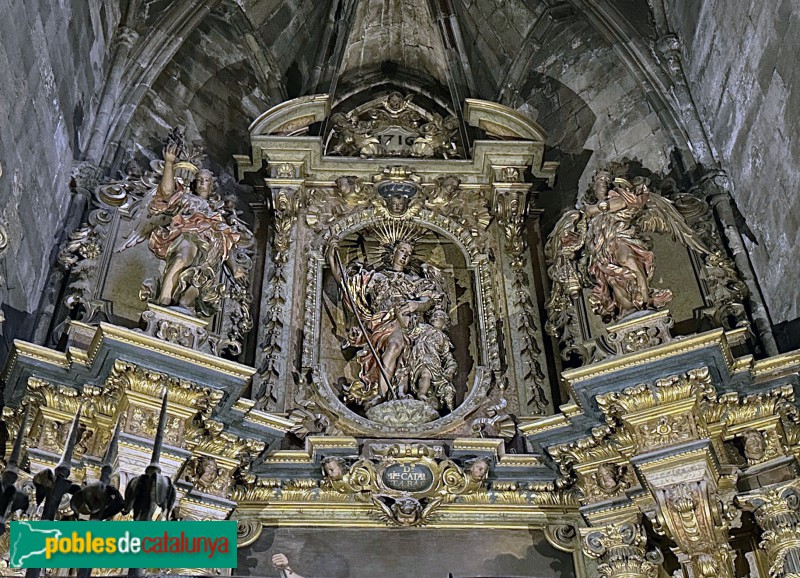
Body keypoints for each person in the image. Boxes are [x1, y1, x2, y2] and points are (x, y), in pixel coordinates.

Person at [327, 237, 445, 401]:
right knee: (393, 347)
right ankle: (383, 394)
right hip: (379, 324)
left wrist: (415, 305)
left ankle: (385, 395)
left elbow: (431, 299)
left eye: (409, 254)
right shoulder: (375, 278)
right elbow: (345, 283)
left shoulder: (414, 281)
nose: (405, 256)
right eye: (402, 251)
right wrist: (332, 257)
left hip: (404, 323)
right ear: (393, 253)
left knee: (396, 346)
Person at [144, 142, 246, 314]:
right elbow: (167, 192)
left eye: (206, 181)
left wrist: (235, 268)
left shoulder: (217, 213)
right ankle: (163, 304)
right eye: (199, 180)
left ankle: (184, 305)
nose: (202, 184)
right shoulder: (187, 199)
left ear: (211, 185)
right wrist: (169, 163)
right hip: (189, 237)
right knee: (181, 260)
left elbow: (227, 245)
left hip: (212, 249)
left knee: (202, 278)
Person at [408, 309, 457, 410]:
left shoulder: (444, 338)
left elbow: (447, 355)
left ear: (445, 322)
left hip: (433, 361)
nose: (435, 318)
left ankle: (422, 394)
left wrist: (452, 367)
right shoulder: (423, 328)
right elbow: (410, 328)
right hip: (416, 358)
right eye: (433, 316)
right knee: (419, 374)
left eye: (439, 316)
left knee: (426, 374)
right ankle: (417, 394)